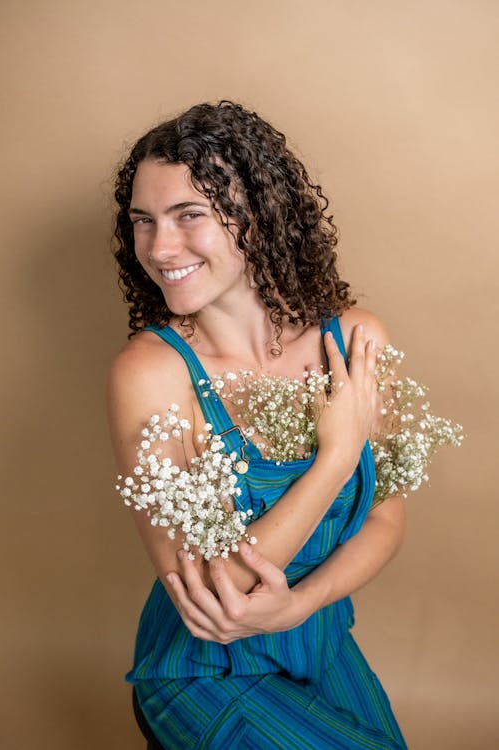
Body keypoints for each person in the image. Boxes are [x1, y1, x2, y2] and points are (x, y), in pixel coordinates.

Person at [108, 100, 407, 749]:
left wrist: (299, 605)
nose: (159, 248)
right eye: (143, 222)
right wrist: (335, 455)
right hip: (205, 668)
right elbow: (217, 594)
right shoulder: (153, 374)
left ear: (258, 218)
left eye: (189, 216)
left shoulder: (352, 339)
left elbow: (386, 519)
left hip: (320, 647)